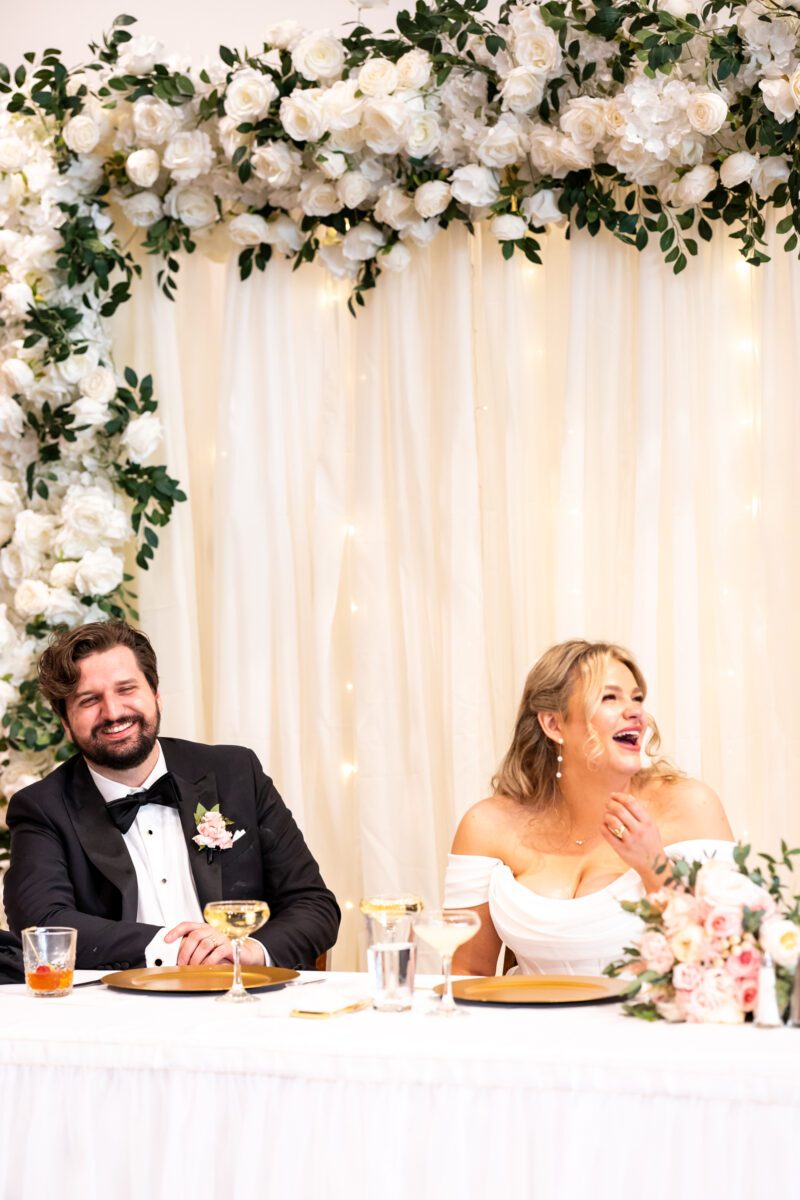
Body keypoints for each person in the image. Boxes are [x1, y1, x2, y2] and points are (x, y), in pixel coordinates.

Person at [3, 621, 340, 972]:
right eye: (89, 700)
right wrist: (172, 949)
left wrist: (250, 950)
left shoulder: (236, 771)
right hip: (118, 1013)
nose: (114, 712)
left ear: (156, 695)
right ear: (65, 722)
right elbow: (42, 925)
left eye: (126, 689)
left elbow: (312, 904)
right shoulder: (42, 807)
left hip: (242, 1001)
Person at [445, 640, 734, 977]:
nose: (635, 712)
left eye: (637, 698)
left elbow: (726, 963)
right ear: (554, 725)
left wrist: (654, 868)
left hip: (646, 1027)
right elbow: (466, 971)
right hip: (526, 1027)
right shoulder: (487, 825)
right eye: (610, 697)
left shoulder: (691, 806)